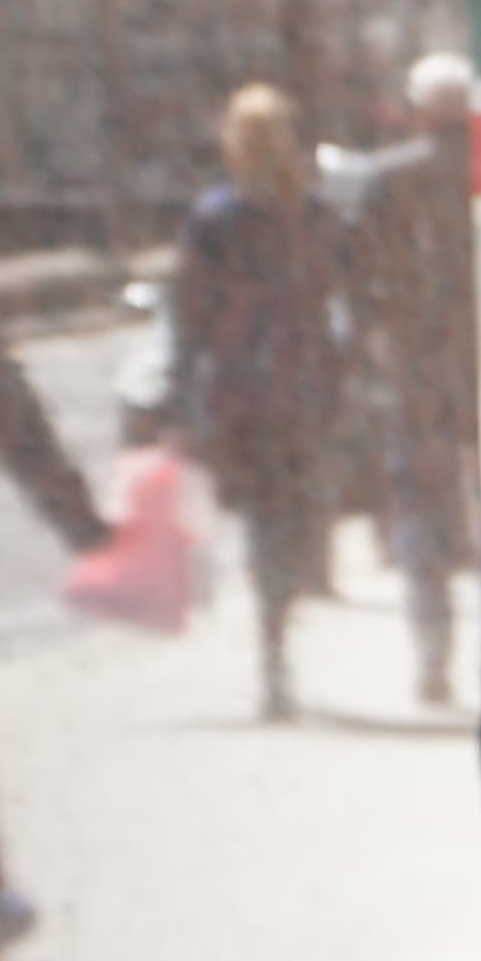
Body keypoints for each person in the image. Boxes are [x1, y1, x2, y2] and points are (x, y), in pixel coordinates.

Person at [164, 79, 338, 720]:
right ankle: (279, 618)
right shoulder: (315, 212)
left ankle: (272, 643)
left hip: (240, 387)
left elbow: (187, 313)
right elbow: (333, 297)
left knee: (265, 511)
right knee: (289, 510)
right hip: (302, 383)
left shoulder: (214, 217)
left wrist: (180, 393)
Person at [329, 51, 481, 708]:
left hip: (418, 372)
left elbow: (355, 280)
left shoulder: (388, 182)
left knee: (422, 511)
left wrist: (366, 351)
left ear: (418, 110)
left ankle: (434, 648)